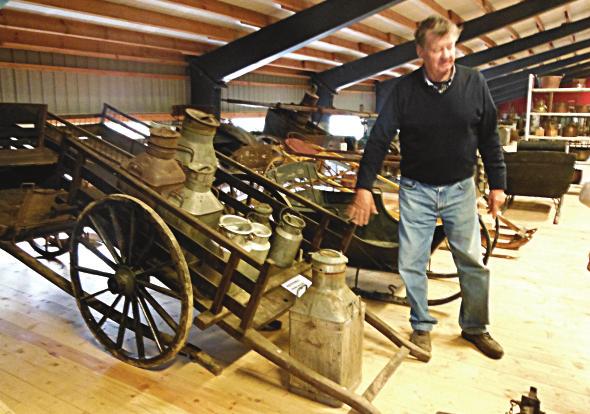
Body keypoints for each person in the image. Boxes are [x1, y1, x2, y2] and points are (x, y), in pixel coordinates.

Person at [347, 15, 506, 361]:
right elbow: (378, 139)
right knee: (412, 261)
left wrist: (497, 185)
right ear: (421, 52)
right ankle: (421, 326)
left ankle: (476, 327)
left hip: (461, 189)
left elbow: (490, 138)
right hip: (416, 190)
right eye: (438, 50)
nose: (447, 56)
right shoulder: (404, 91)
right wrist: (363, 186)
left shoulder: (474, 83)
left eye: (451, 47)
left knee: (471, 260)